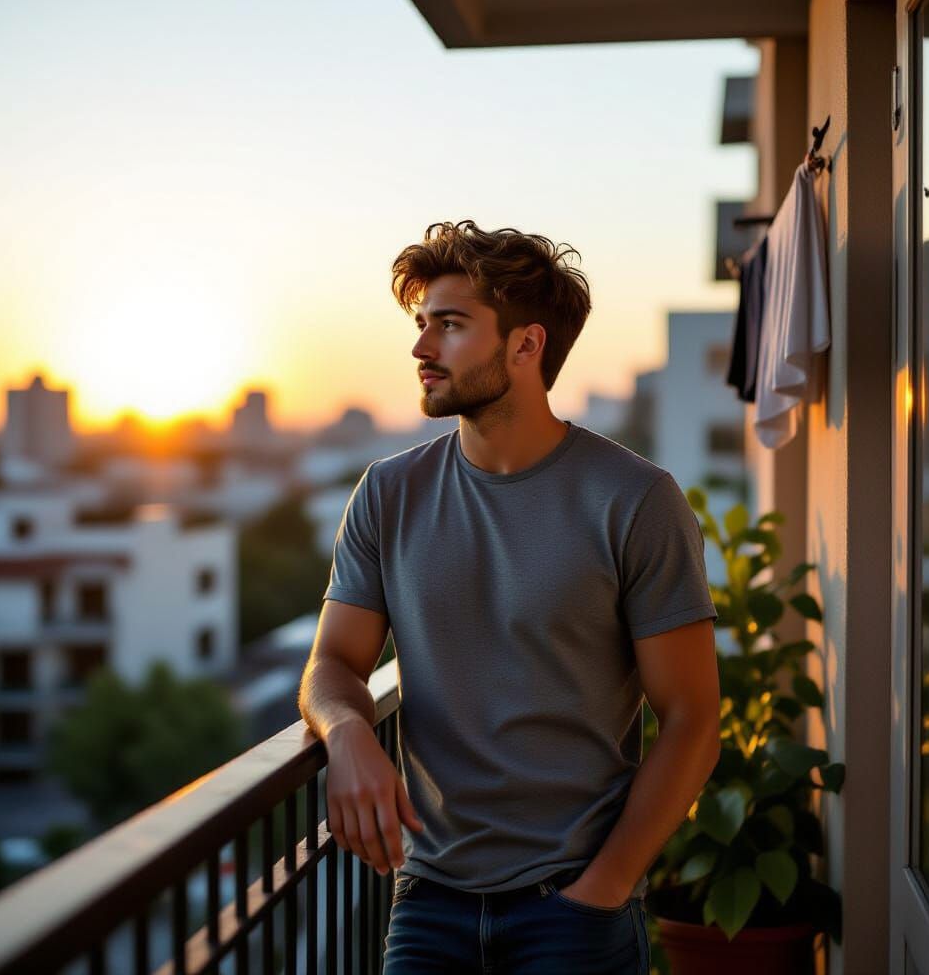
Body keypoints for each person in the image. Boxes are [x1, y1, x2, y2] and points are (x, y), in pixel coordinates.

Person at [298, 220, 721, 974]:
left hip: (575, 908)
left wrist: (605, 888)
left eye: (450, 326)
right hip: (427, 900)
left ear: (526, 347)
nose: (422, 348)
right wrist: (347, 733)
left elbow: (691, 718)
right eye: (422, 325)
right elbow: (333, 661)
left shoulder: (634, 500)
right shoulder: (389, 494)